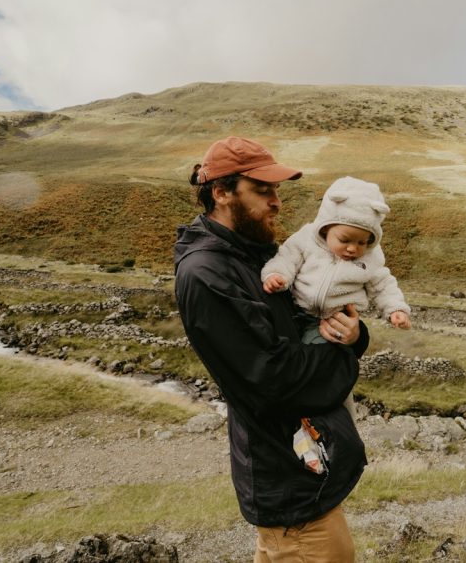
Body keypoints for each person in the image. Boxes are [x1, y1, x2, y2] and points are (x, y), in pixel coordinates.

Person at [173, 136, 369, 562]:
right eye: (263, 191)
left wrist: (354, 335)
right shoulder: (207, 273)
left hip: (299, 471)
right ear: (221, 193)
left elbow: (306, 320)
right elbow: (273, 378)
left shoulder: (256, 256)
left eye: (276, 190)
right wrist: (342, 357)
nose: (276, 202)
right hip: (288, 476)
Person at [261, 176, 411, 417]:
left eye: (362, 242)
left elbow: (383, 284)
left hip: (333, 323)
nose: (353, 248)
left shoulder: (370, 259)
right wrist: (277, 275)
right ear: (326, 226)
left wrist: (396, 310)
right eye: (345, 240)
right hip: (295, 312)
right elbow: (287, 258)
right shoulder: (306, 240)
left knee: (324, 374)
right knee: (294, 363)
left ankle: (330, 419)